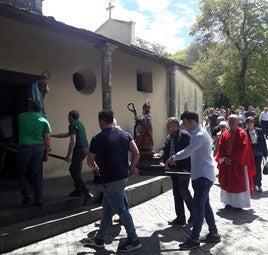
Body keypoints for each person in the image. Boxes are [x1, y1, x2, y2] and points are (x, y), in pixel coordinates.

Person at [84, 110, 142, 252]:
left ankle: (134, 240)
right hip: (123, 176)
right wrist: (133, 166)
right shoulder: (125, 134)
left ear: (101, 121)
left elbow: (89, 161)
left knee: (121, 210)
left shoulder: (97, 138)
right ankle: (99, 239)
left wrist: (95, 168)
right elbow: (136, 153)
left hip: (110, 179)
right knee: (107, 209)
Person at [165, 111, 220, 251]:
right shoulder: (198, 134)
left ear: (191, 121)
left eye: (184, 122)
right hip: (201, 176)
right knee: (205, 206)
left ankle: (194, 239)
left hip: (203, 177)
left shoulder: (200, 135)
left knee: (198, 208)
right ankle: (214, 233)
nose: (184, 126)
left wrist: (173, 158)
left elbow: (188, 151)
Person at [50, 110, 93, 205]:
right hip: (86, 149)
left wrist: (69, 155)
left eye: (68, 116)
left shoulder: (72, 124)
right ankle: (78, 191)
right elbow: (66, 134)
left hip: (79, 150)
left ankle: (86, 193)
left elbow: (73, 141)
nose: (67, 118)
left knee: (74, 171)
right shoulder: (80, 124)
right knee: (75, 170)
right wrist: (52, 135)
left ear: (71, 116)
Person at [215, 114, 256, 211]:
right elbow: (220, 147)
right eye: (229, 121)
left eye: (232, 121)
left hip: (238, 164)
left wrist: (232, 158)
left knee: (238, 183)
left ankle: (238, 204)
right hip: (226, 164)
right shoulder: (225, 134)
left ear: (238, 122)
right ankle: (228, 202)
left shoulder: (242, 134)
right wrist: (225, 158)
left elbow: (243, 149)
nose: (230, 123)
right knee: (227, 183)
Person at [158, 117, 193, 226]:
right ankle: (180, 218)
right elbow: (165, 148)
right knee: (176, 193)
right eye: (167, 126)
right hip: (173, 169)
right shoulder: (170, 137)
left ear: (176, 126)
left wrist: (187, 168)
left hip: (183, 169)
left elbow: (189, 152)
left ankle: (194, 213)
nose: (167, 128)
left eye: (169, 126)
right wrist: (160, 155)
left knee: (183, 191)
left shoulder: (185, 136)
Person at [17, 100, 51, 207]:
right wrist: (46, 154)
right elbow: (47, 139)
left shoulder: (21, 116)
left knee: (22, 173)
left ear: (29, 108)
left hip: (25, 148)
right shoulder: (44, 120)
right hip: (39, 149)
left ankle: (27, 198)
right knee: (36, 175)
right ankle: (39, 199)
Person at [245, 116, 267, 192]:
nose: (249, 124)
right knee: (251, 168)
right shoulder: (245, 132)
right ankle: (253, 184)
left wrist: (265, 153)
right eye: (248, 122)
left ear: (253, 123)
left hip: (258, 152)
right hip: (250, 153)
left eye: (251, 122)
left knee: (258, 168)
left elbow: (263, 142)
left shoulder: (259, 131)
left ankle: (259, 184)